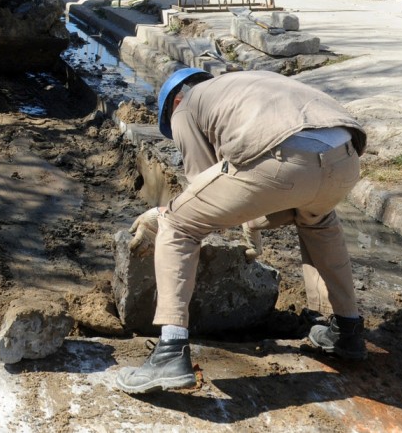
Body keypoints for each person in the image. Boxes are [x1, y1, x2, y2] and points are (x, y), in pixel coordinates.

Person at [115, 68, 368, 395]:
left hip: (284, 158)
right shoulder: (247, 82)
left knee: (178, 224)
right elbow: (238, 185)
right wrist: (252, 220)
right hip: (345, 160)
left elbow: (202, 185)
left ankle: (170, 352)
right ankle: (346, 330)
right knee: (318, 221)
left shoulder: (185, 107)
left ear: (175, 99)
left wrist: (163, 213)